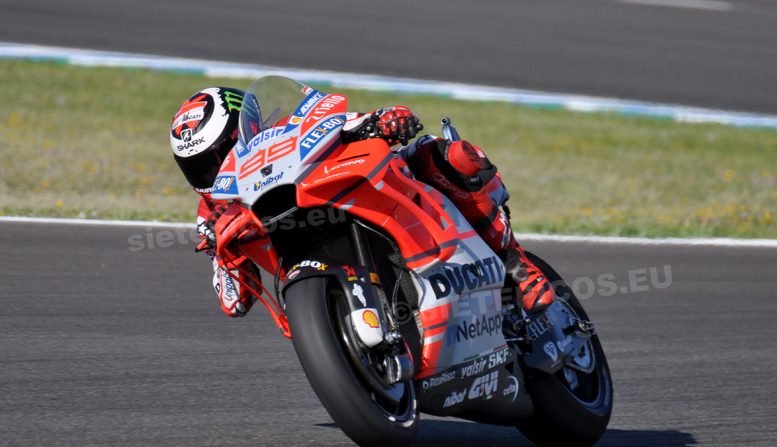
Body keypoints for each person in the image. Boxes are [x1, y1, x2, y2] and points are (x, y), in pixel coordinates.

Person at [170, 86, 554, 318]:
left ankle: (516, 265)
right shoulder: (215, 214)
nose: (217, 170)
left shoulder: (287, 129)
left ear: (246, 124)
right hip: (309, 268)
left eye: (220, 154)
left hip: (355, 194)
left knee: (442, 156)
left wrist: (384, 118)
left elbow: (350, 121)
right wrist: (222, 254)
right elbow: (234, 303)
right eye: (200, 168)